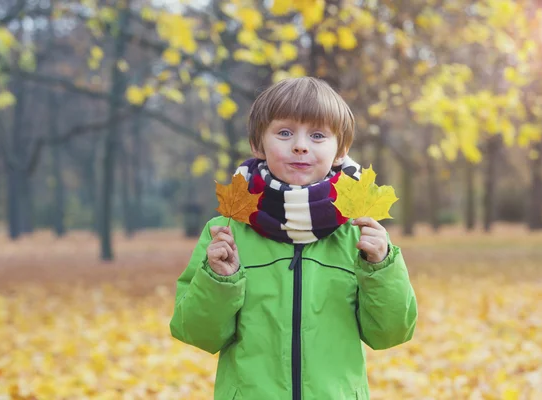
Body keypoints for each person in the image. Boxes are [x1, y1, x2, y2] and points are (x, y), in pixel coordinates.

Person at [170, 77, 417, 400]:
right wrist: (218, 280)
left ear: (340, 150)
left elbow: (391, 332)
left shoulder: (358, 231)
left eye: (317, 135)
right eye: (285, 133)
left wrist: (381, 269)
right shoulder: (228, 230)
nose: (300, 145)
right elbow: (197, 333)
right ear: (259, 144)